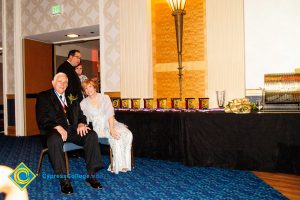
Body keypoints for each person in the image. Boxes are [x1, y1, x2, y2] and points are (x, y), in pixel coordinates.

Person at [36, 73, 103, 195]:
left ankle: (91, 175)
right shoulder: (44, 96)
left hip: (72, 131)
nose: (63, 84)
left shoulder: (72, 96)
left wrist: (81, 123)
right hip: (53, 131)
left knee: (91, 134)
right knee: (54, 140)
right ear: (53, 82)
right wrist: (57, 127)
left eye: (65, 82)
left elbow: (81, 115)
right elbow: (42, 118)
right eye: (59, 81)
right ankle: (64, 180)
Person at [80, 79, 133, 174]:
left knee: (127, 133)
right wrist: (82, 125)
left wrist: (112, 128)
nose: (88, 90)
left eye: (90, 87)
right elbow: (84, 118)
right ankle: (118, 165)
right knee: (117, 137)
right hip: (98, 128)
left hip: (111, 123)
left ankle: (124, 164)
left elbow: (110, 114)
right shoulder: (83, 103)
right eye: (86, 88)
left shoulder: (105, 97)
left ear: (94, 87)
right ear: (84, 91)